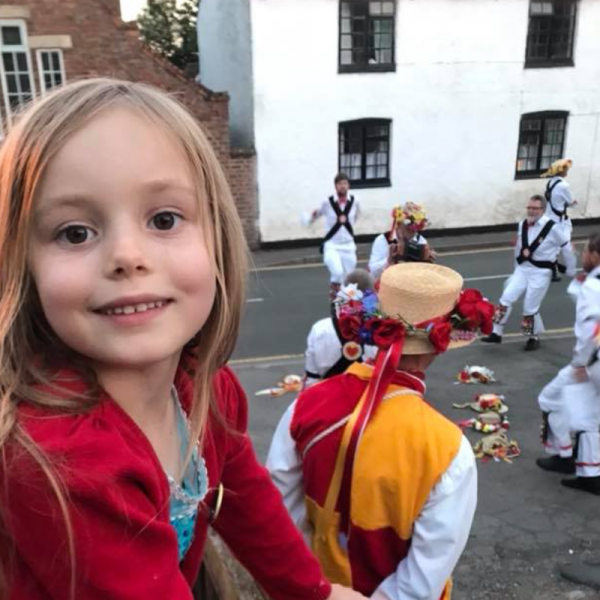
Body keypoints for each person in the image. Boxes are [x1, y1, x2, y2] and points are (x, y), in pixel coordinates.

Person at [0, 79, 365, 600]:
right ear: (22, 265)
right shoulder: (59, 460)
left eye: (164, 219)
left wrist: (313, 591)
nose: (128, 255)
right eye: (74, 232)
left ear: (216, 236)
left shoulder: (206, 386)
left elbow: (243, 494)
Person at [267, 262, 487, 599]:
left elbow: (279, 512)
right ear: (439, 345)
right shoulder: (448, 449)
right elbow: (423, 578)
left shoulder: (304, 406)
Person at [535, 233, 600, 496]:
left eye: (585, 251)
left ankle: (573, 462)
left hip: (593, 361)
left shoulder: (593, 286)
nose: (582, 256)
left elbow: (589, 328)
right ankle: (579, 465)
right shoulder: (591, 282)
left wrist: (581, 362)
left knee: (552, 399)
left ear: (595, 255)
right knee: (584, 412)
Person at [482, 194, 576, 351]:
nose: (531, 211)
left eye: (535, 208)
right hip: (523, 269)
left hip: (541, 272)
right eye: (529, 208)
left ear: (543, 210)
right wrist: (516, 268)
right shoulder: (522, 224)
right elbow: (519, 248)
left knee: (529, 307)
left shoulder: (553, 228)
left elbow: (566, 247)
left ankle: (533, 337)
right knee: (506, 298)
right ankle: (496, 333)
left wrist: (571, 269)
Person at [305, 269, 377, 388]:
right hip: (367, 402)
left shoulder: (319, 329)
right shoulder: (382, 332)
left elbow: (311, 381)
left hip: (328, 400)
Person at [310, 173, 360, 299]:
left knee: (349, 278)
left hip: (348, 245)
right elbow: (318, 213)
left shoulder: (355, 201)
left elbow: (356, 217)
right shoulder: (327, 202)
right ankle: (334, 292)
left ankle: (344, 303)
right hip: (332, 244)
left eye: (345, 183)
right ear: (335, 186)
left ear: (348, 185)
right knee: (337, 271)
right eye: (340, 184)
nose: (342, 186)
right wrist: (309, 218)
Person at [369, 202, 434, 281]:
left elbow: (423, 274)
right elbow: (373, 271)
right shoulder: (383, 240)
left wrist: (428, 262)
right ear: (399, 223)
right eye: (409, 226)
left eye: (416, 228)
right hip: (386, 283)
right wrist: (388, 260)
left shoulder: (421, 241)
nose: (413, 231)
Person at [542, 158, 576, 281]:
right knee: (564, 244)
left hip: (549, 218)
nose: (567, 170)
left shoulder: (550, 183)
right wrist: (572, 203)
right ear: (562, 171)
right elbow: (571, 202)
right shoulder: (564, 185)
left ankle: (555, 269)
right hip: (559, 221)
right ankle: (557, 270)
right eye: (566, 168)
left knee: (554, 245)